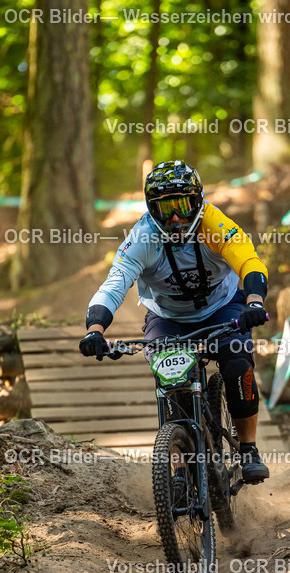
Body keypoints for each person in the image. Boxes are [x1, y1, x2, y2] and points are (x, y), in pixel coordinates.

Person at [79, 160, 270, 483]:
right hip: (167, 318)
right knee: (170, 381)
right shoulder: (143, 237)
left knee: (237, 363)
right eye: (166, 209)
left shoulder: (214, 224)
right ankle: (180, 467)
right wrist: (95, 329)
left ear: (198, 201)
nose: (176, 217)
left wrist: (253, 301)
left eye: (182, 205)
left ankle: (249, 449)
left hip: (222, 308)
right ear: (152, 210)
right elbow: (115, 283)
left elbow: (248, 258)